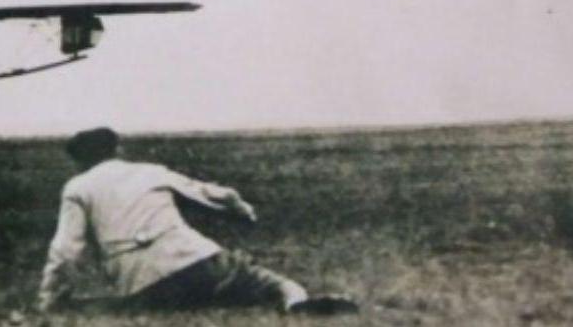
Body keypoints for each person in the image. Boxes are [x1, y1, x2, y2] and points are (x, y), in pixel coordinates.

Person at [37, 127, 357, 316]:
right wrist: (243, 212)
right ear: (116, 149)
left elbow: (66, 251)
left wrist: (50, 298)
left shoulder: (78, 187)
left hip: (146, 283)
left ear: (78, 160)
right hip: (204, 263)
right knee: (272, 283)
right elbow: (220, 195)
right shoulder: (151, 171)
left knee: (118, 307)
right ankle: (295, 302)